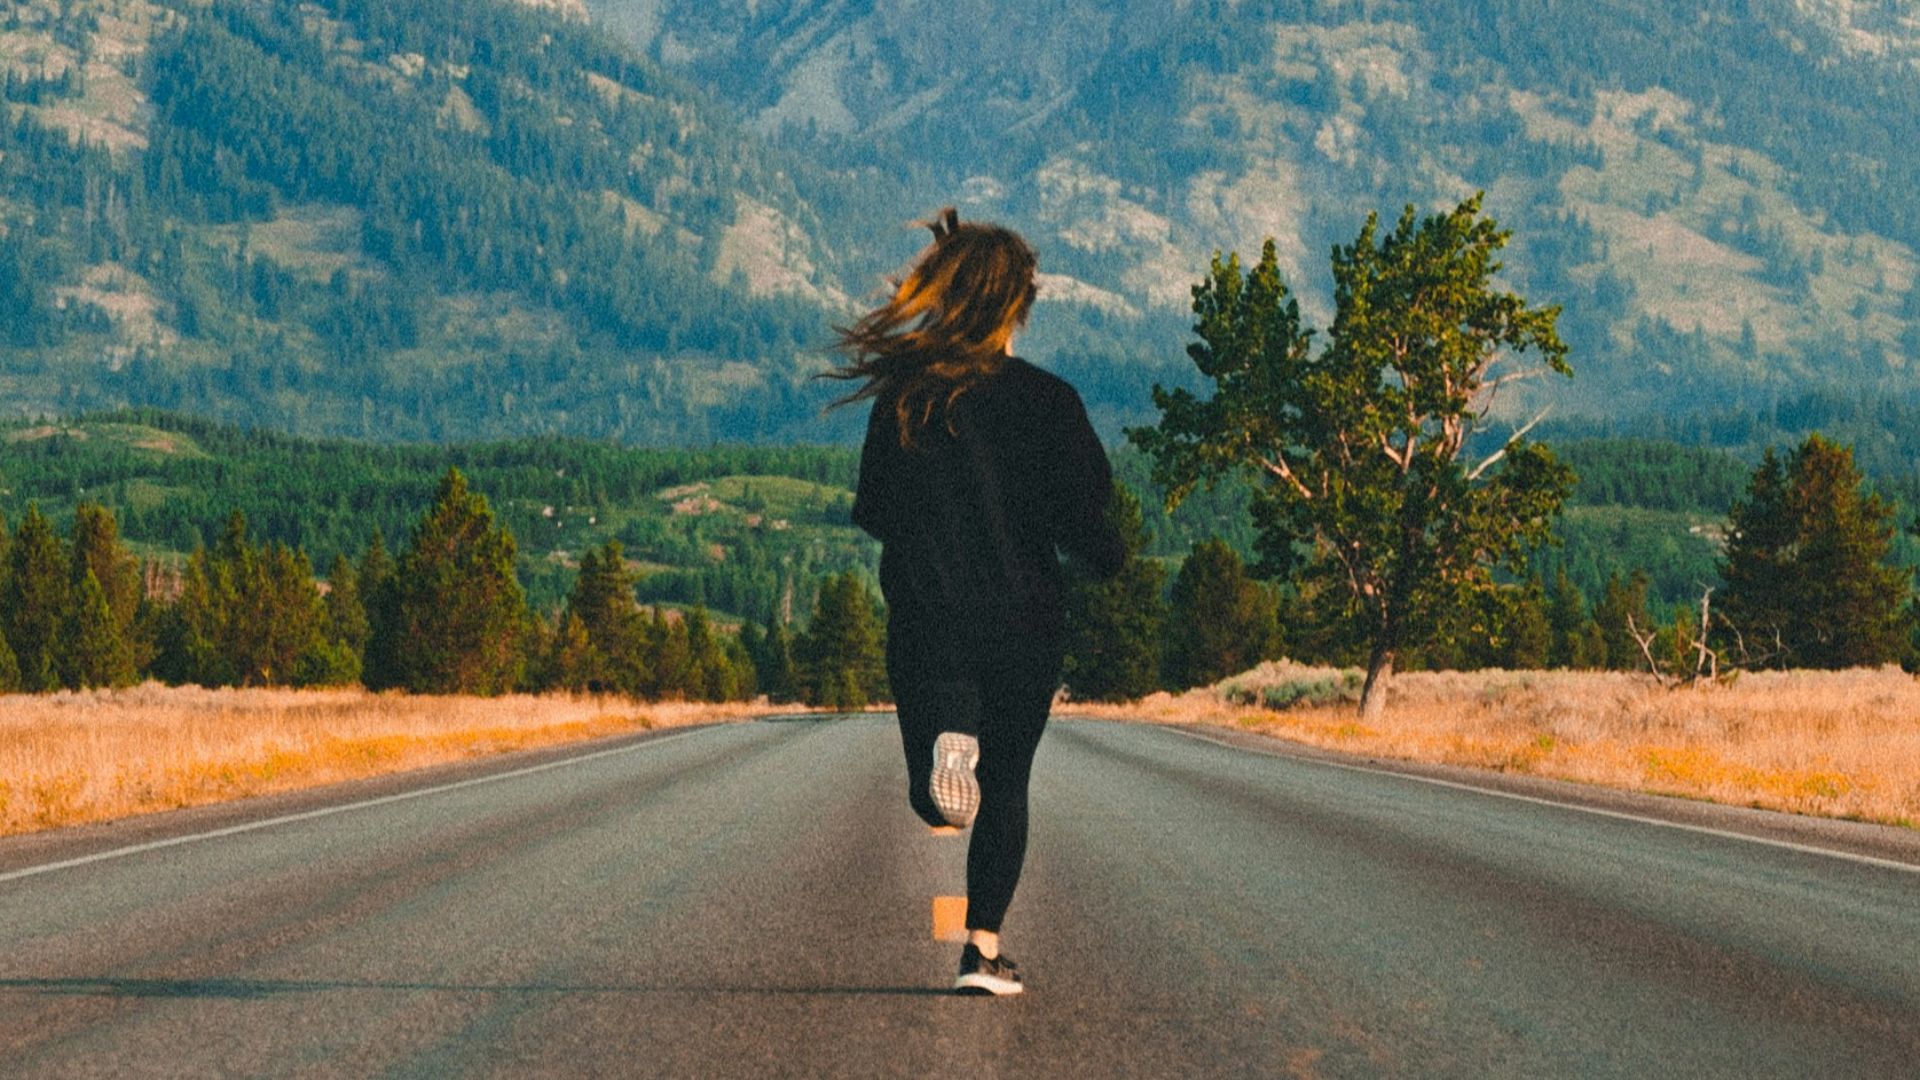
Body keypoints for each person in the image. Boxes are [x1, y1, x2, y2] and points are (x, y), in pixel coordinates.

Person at [830, 208, 1125, 996]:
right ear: (1017, 305)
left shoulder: (907, 397)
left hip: (929, 613)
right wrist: (1109, 559)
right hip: (1024, 619)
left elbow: (875, 511)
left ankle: (939, 754)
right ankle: (982, 952)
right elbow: (1084, 517)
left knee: (939, 757)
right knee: (1009, 784)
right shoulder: (1050, 401)